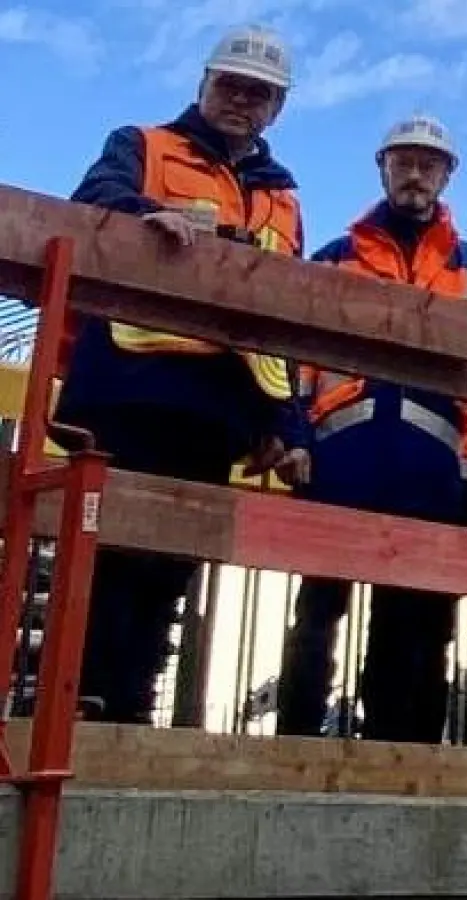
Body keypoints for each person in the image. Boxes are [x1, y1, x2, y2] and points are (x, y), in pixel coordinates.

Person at [57, 25, 310, 724]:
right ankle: (84, 701)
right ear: (203, 85)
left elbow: (282, 320)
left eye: (258, 95)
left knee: (173, 566)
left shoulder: (281, 199)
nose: (241, 102)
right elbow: (92, 202)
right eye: (231, 86)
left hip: (217, 406)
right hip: (130, 385)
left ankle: (131, 705)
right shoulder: (143, 145)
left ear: (276, 110)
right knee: (108, 551)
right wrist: (147, 215)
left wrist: (284, 423)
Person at [274, 114, 467, 744]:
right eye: (403, 162)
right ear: (383, 168)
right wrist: (295, 435)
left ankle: (396, 749)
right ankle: (294, 743)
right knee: (318, 610)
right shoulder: (338, 258)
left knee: (409, 619)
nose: (415, 174)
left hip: (427, 467)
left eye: (428, 164)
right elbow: (289, 353)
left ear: (447, 176)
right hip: (342, 457)